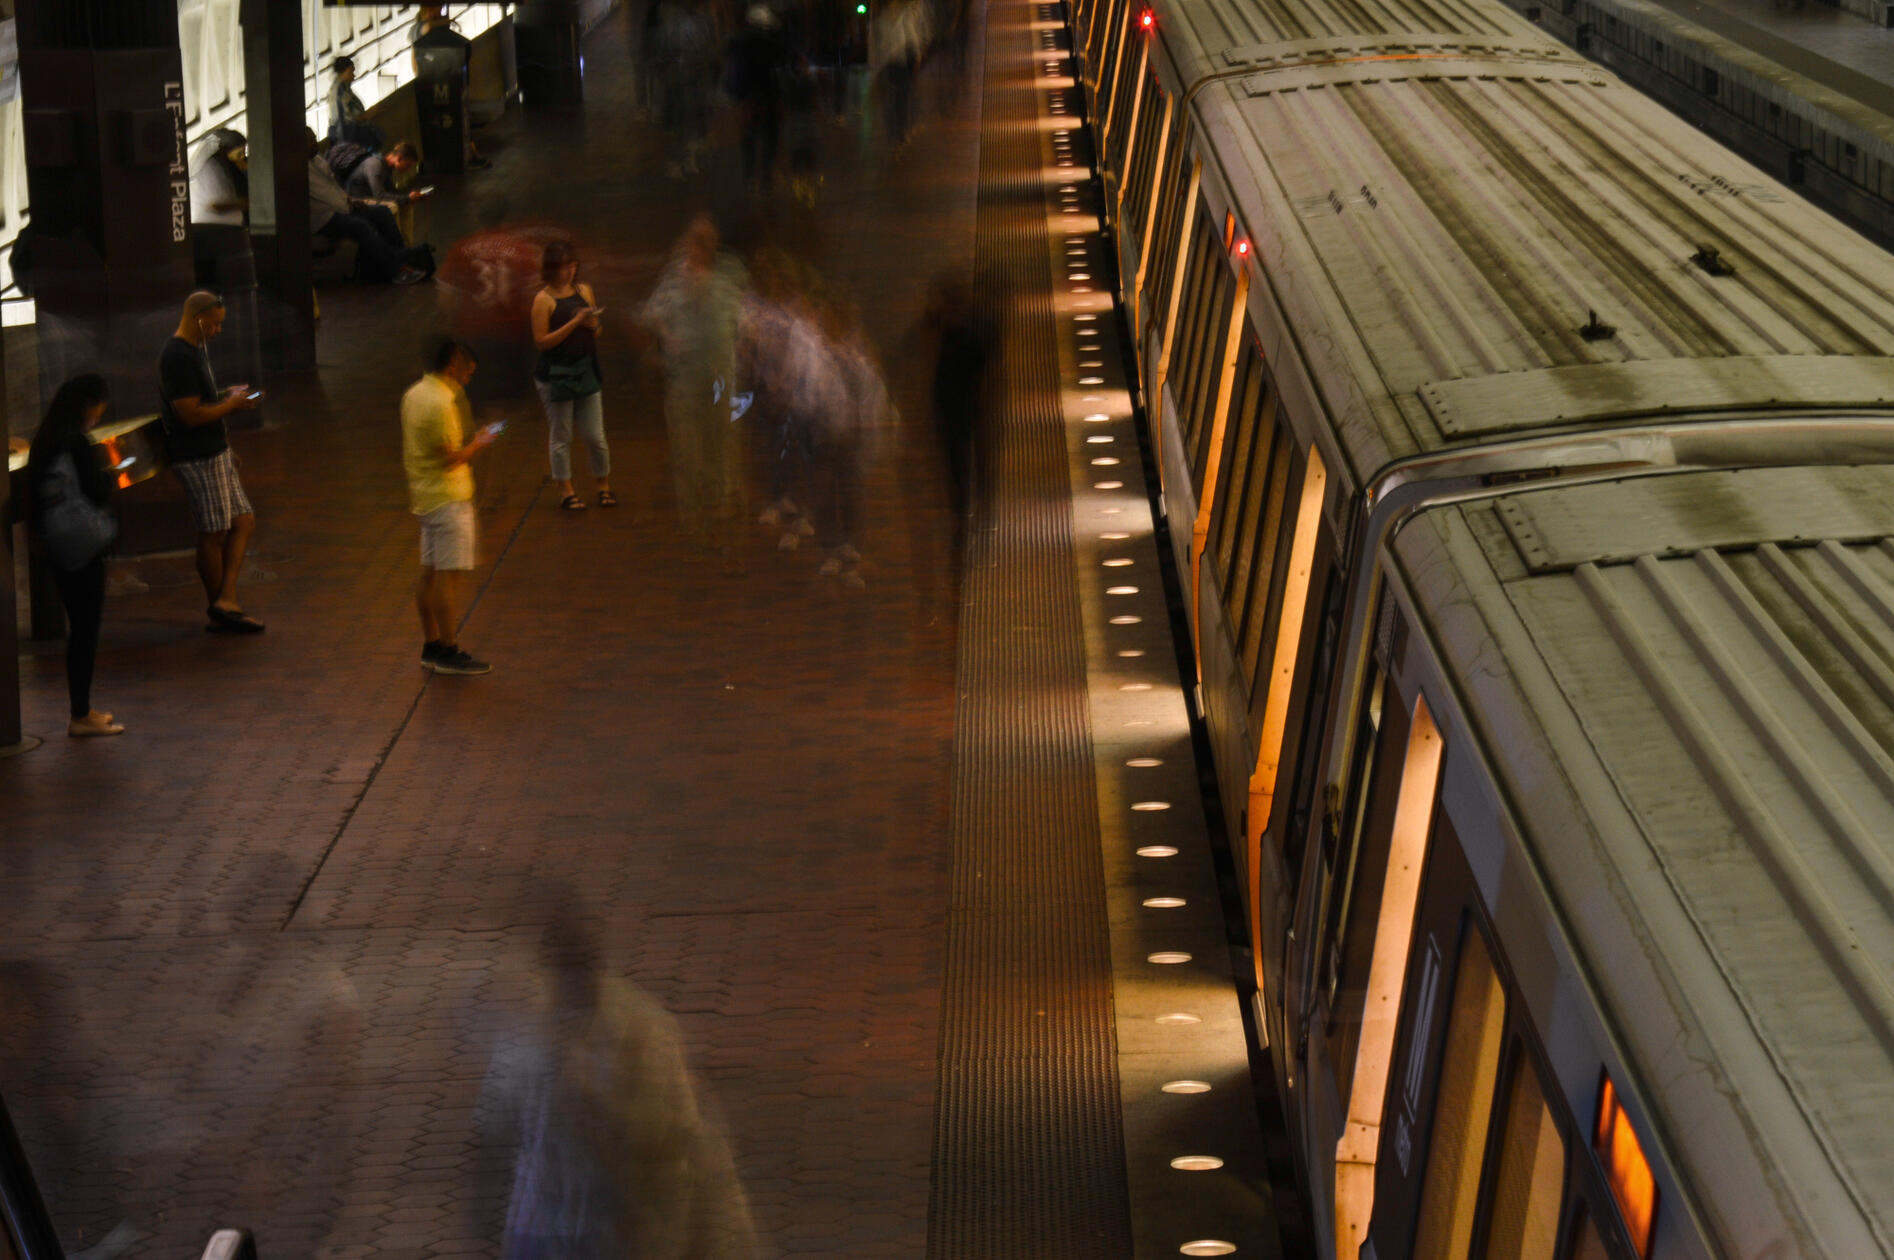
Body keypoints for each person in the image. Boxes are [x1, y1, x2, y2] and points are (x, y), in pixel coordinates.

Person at [641, 217, 750, 563]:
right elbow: (652, 313)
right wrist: (667, 339)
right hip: (686, 381)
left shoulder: (727, 278)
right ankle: (696, 521)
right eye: (698, 240)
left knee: (721, 445)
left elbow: (744, 318)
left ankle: (721, 510)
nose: (703, 247)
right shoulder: (675, 279)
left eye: (708, 241)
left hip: (720, 379)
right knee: (688, 449)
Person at [158, 291, 265, 633]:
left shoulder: (196, 350)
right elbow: (189, 414)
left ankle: (226, 598)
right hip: (198, 455)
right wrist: (230, 407)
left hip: (214, 450)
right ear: (199, 318)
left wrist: (225, 397)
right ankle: (221, 608)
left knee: (243, 520)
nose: (219, 330)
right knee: (214, 529)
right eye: (216, 324)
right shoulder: (177, 355)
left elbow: (201, 400)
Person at [26, 375, 123, 737]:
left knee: (77, 628)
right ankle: (80, 715)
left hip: (57, 545)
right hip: (84, 545)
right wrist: (110, 477)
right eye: (99, 407)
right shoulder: (78, 443)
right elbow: (96, 492)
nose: (99, 413)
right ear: (87, 403)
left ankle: (82, 710)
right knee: (85, 630)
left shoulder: (45, 440)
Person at [402, 339, 498, 675]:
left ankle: (430, 645)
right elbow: (451, 458)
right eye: (468, 371)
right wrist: (481, 441)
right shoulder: (442, 403)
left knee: (429, 573)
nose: (468, 378)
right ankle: (448, 648)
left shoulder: (413, 394)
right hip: (449, 499)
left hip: (424, 497)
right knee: (448, 578)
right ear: (453, 364)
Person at [531, 242, 613, 511]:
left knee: (595, 436)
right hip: (556, 375)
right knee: (561, 435)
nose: (569, 272)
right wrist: (574, 323)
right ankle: (566, 490)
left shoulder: (584, 290)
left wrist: (592, 324)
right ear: (552, 269)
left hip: (585, 368)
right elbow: (542, 341)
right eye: (564, 267)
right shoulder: (543, 300)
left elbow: (596, 331)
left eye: (573, 266)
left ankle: (603, 485)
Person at [307, 130, 429, 286]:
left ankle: (402, 260)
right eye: (310, 141)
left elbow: (333, 188)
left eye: (315, 139)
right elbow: (323, 194)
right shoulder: (301, 169)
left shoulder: (317, 161)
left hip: (343, 204)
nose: (315, 144)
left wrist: (348, 201)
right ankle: (397, 269)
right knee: (361, 226)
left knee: (383, 213)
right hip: (323, 215)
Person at [413, 6, 494, 170]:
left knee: (461, 120)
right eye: (434, 10)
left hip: (443, 80)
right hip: (434, 80)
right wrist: (448, 21)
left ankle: (472, 155)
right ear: (425, 11)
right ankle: (471, 156)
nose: (436, 13)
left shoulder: (435, 32)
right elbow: (427, 28)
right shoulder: (418, 28)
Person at [724, 5, 788, 189]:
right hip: (768, 93)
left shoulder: (739, 41)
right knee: (770, 135)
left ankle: (749, 174)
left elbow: (732, 64)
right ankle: (766, 173)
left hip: (747, 95)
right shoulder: (773, 43)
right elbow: (782, 63)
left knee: (749, 135)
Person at [343, 140, 427, 207]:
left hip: (368, 198)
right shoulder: (376, 165)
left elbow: (392, 191)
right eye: (407, 165)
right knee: (389, 209)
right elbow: (379, 196)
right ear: (399, 158)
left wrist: (410, 196)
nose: (408, 169)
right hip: (357, 201)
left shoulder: (387, 167)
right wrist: (407, 197)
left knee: (404, 203)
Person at [327, 56, 385, 148]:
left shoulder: (344, 89)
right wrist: (366, 115)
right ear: (342, 72)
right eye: (351, 72)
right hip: (348, 139)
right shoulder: (339, 92)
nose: (353, 75)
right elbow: (347, 120)